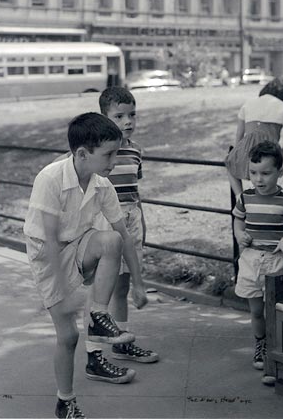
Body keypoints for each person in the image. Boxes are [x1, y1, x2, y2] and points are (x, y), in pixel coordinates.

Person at [23, 112, 149, 419]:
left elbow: (123, 235)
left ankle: (97, 315)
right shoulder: (50, 178)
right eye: (108, 154)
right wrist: (65, 293)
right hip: (48, 257)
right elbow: (51, 241)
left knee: (111, 241)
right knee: (68, 337)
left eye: (117, 153)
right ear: (82, 154)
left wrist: (139, 281)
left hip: (80, 245)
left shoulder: (102, 185)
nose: (114, 161)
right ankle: (64, 401)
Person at [97, 86, 159, 364]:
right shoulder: (97, 151)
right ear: (104, 118)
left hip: (131, 219)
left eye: (132, 115)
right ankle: (95, 352)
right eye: (119, 116)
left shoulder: (135, 151)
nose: (128, 122)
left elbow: (136, 194)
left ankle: (121, 341)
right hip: (105, 222)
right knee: (102, 289)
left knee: (122, 287)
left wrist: (141, 228)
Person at [233, 141, 283, 379]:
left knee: (275, 311)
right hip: (251, 259)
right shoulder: (245, 197)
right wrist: (239, 234)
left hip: (276, 261)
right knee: (256, 311)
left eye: (265, 173)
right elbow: (239, 220)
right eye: (253, 173)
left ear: (280, 173)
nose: (258, 179)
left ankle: (276, 351)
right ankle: (261, 344)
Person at [225, 78, 283, 199]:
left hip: (248, 147)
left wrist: (238, 153)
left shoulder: (248, 104)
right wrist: (282, 153)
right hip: (270, 148)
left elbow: (239, 134)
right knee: (265, 176)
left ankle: (239, 196)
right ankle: (264, 200)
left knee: (230, 164)